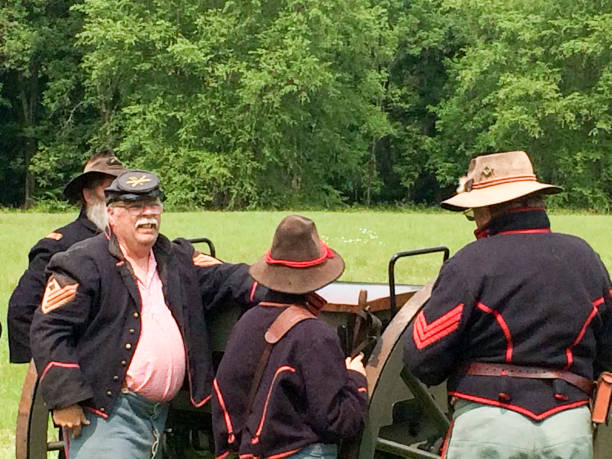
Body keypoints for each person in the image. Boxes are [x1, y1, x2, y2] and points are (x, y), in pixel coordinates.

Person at [30, 169, 265, 458]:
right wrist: (65, 398)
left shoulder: (176, 257)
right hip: (109, 411)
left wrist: (284, 285)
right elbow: (49, 329)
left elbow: (227, 277)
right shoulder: (82, 262)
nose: (148, 214)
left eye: (153, 205)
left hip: (161, 415)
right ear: (112, 214)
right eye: (135, 207)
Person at [403, 150, 612, 458]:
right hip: (569, 427)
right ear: (537, 201)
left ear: (487, 209)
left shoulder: (472, 262)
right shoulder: (586, 258)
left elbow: (422, 356)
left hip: (489, 426)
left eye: (473, 211)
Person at [212, 215, 368, 459]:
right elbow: (339, 422)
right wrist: (356, 379)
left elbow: (225, 395)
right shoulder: (316, 336)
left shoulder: (245, 323)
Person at [7, 149, 125, 363]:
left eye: (123, 191)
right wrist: (51, 366)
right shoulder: (60, 245)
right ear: (88, 195)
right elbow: (22, 310)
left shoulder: (138, 245)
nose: (119, 199)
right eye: (109, 190)